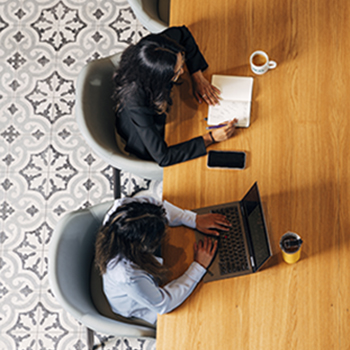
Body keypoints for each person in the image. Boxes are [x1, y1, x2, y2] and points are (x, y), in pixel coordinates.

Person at [113, 25, 238, 167]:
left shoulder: (159, 47)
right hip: (144, 131)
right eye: (177, 72)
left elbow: (183, 33)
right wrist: (210, 138)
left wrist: (197, 76)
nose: (184, 71)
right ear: (159, 78)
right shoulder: (136, 100)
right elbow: (163, 157)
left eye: (182, 62)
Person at [95, 196, 231, 325]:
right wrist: (199, 266)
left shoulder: (125, 208)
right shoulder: (127, 275)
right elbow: (164, 304)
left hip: (145, 278)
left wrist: (194, 219)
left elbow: (159, 206)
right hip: (142, 303)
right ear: (141, 246)